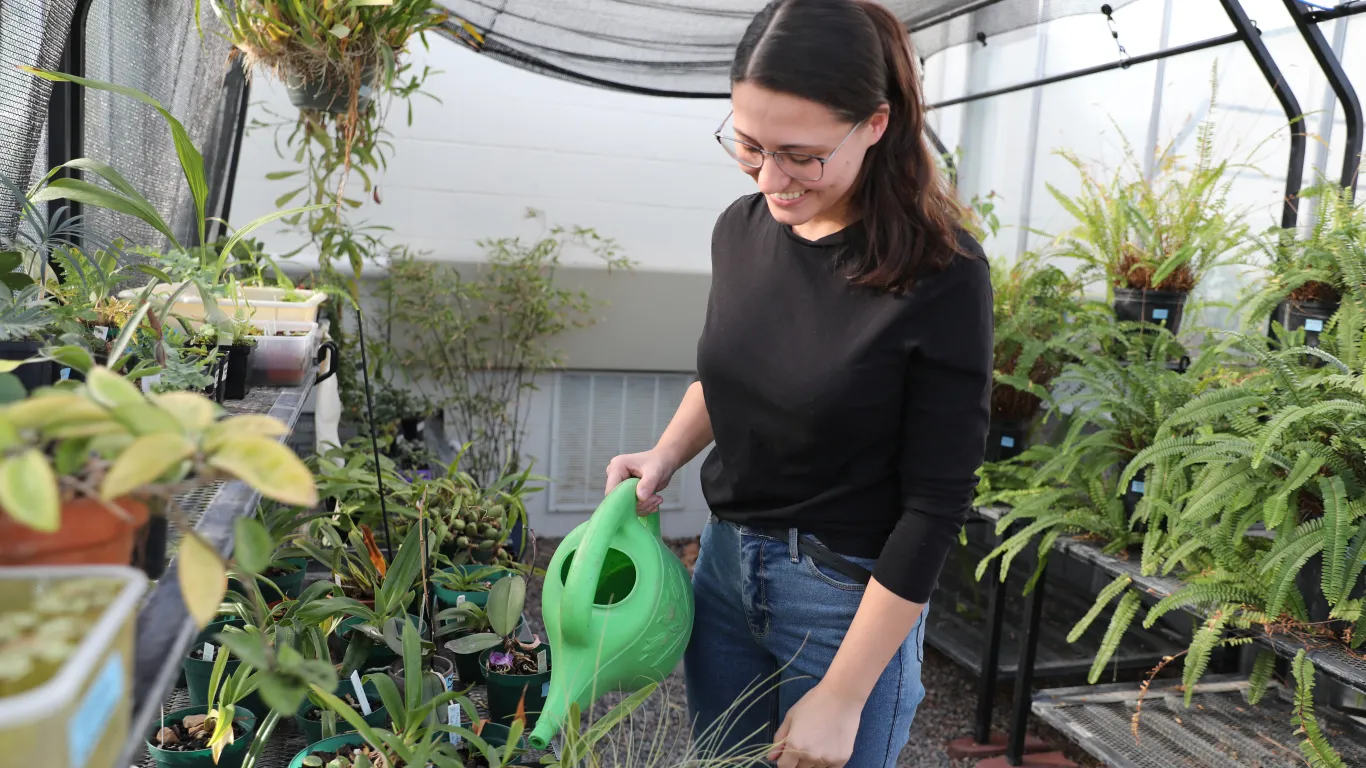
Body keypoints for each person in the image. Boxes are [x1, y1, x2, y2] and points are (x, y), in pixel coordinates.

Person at [604, 1, 993, 766]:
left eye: (801, 154)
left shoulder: (942, 276)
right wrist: (666, 453)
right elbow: (733, 374)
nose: (771, 177)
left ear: (875, 126)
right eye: (748, 145)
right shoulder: (742, 230)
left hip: (845, 599)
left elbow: (935, 506)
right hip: (720, 571)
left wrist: (844, 695)